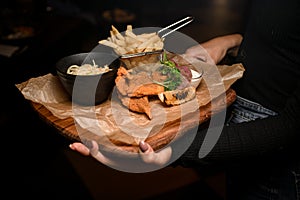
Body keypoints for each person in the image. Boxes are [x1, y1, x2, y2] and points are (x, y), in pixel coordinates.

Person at [70, 0, 300, 199]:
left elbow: (290, 126)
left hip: (275, 154)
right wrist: (233, 41)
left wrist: (175, 150)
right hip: (242, 113)